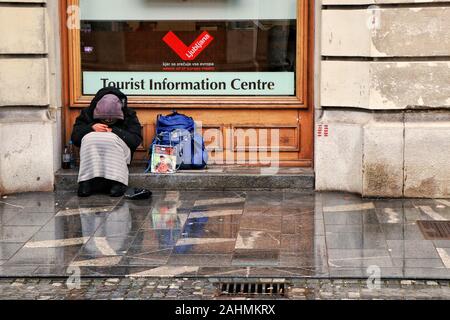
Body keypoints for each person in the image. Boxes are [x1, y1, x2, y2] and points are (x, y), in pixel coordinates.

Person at [71, 87, 143, 197]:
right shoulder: (87, 113)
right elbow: (75, 139)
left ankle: (117, 182)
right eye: (104, 119)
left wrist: (114, 130)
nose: (108, 121)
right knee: (89, 138)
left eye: (112, 119)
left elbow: (135, 141)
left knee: (111, 139)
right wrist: (91, 127)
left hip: (118, 148)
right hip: (93, 149)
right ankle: (86, 182)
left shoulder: (129, 114)